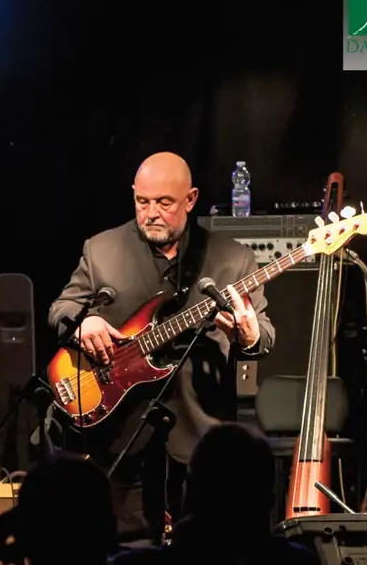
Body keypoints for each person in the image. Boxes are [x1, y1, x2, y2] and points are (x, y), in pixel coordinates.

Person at [47, 151, 275, 541]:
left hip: (199, 434)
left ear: (191, 199)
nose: (151, 213)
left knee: (205, 553)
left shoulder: (233, 259)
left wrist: (249, 335)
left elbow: (264, 333)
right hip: (120, 430)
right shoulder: (101, 249)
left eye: (164, 203)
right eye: (142, 201)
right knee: (125, 553)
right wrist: (84, 322)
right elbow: (61, 308)